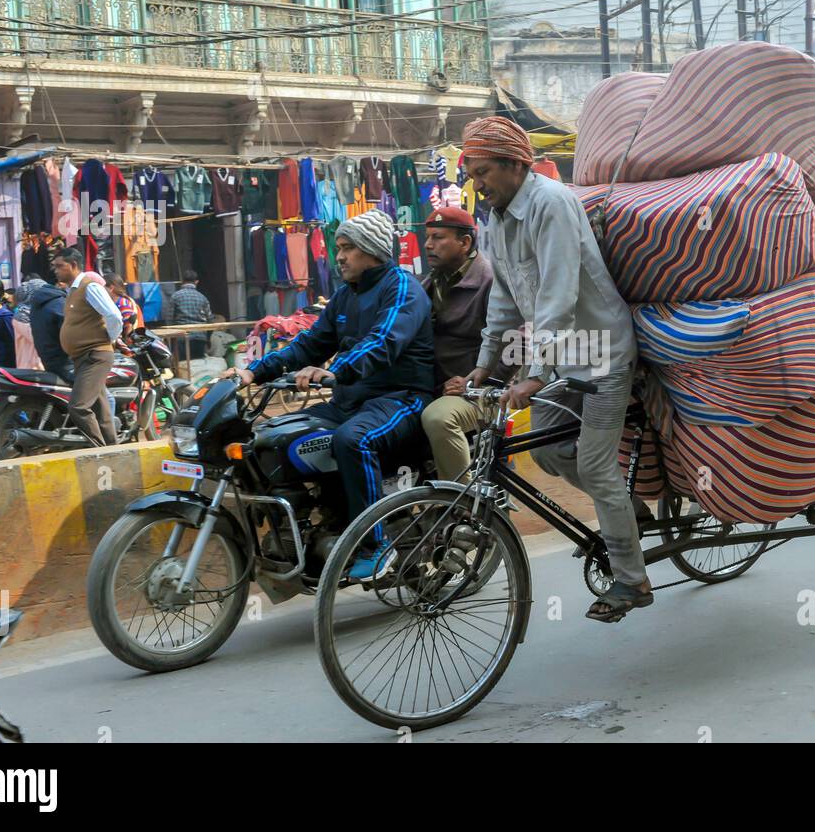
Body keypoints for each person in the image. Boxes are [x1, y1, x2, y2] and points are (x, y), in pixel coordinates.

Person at [459, 116, 645, 623]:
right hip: (565, 355)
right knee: (547, 452)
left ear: (515, 164)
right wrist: (484, 363)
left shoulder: (552, 204)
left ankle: (631, 579)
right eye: (472, 175)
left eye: (482, 173)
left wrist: (536, 373)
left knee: (595, 464)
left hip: (604, 352)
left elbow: (557, 295)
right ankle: (628, 517)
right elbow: (505, 296)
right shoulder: (497, 218)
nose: (478, 185)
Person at [223, 210, 435, 580]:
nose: (340, 256)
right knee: (274, 437)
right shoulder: (343, 297)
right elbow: (308, 345)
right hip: (351, 400)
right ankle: (318, 525)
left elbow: (383, 342)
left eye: (349, 248)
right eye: (339, 247)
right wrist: (252, 371)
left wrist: (335, 370)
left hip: (401, 398)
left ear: (373, 250)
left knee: (353, 440)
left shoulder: (401, 288)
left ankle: (374, 543)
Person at [418, 207, 514, 482]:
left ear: (465, 242)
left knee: (439, 418)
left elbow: (519, 340)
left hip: (481, 394)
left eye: (438, 237)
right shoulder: (432, 282)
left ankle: (461, 504)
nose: (428, 244)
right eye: (427, 237)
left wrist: (483, 381)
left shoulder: (490, 282)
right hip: (437, 386)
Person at [52, 249, 123, 447]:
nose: (55, 271)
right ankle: (113, 449)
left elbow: (114, 316)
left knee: (78, 407)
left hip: (95, 356)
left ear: (73, 264)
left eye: (60, 266)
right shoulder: (72, 291)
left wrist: (109, 338)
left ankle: (98, 450)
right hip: (83, 357)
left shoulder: (90, 287)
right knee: (101, 411)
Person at [30, 276, 73, 383]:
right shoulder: (59, 304)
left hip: (48, 361)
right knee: (105, 397)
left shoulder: (36, 305)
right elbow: (71, 334)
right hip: (65, 362)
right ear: (60, 284)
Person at [171, 270, 213, 359]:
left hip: (181, 338)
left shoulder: (175, 296)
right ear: (196, 282)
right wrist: (208, 339)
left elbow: (169, 318)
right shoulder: (203, 298)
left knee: (183, 366)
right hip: (200, 338)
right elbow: (210, 320)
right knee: (198, 366)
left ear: (182, 281)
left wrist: (171, 339)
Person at [12, 276, 47, 369]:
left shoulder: (36, 312)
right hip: (30, 369)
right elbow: (39, 338)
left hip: (39, 369)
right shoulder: (21, 316)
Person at [104, 273, 144, 340]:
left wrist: (126, 344)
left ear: (111, 288)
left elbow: (128, 326)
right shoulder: (111, 303)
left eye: (102, 288)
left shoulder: (123, 304)